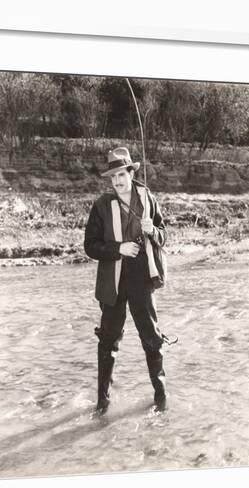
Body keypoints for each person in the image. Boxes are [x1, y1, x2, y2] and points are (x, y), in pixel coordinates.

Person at [84, 146, 169, 414]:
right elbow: (90, 246)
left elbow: (164, 236)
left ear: (131, 172)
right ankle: (102, 402)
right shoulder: (101, 205)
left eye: (122, 174)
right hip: (112, 280)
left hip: (142, 277)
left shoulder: (148, 198)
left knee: (151, 338)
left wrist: (152, 230)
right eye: (113, 176)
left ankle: (161, 397)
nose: (118, 181)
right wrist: (118, 248)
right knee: (108, 340)